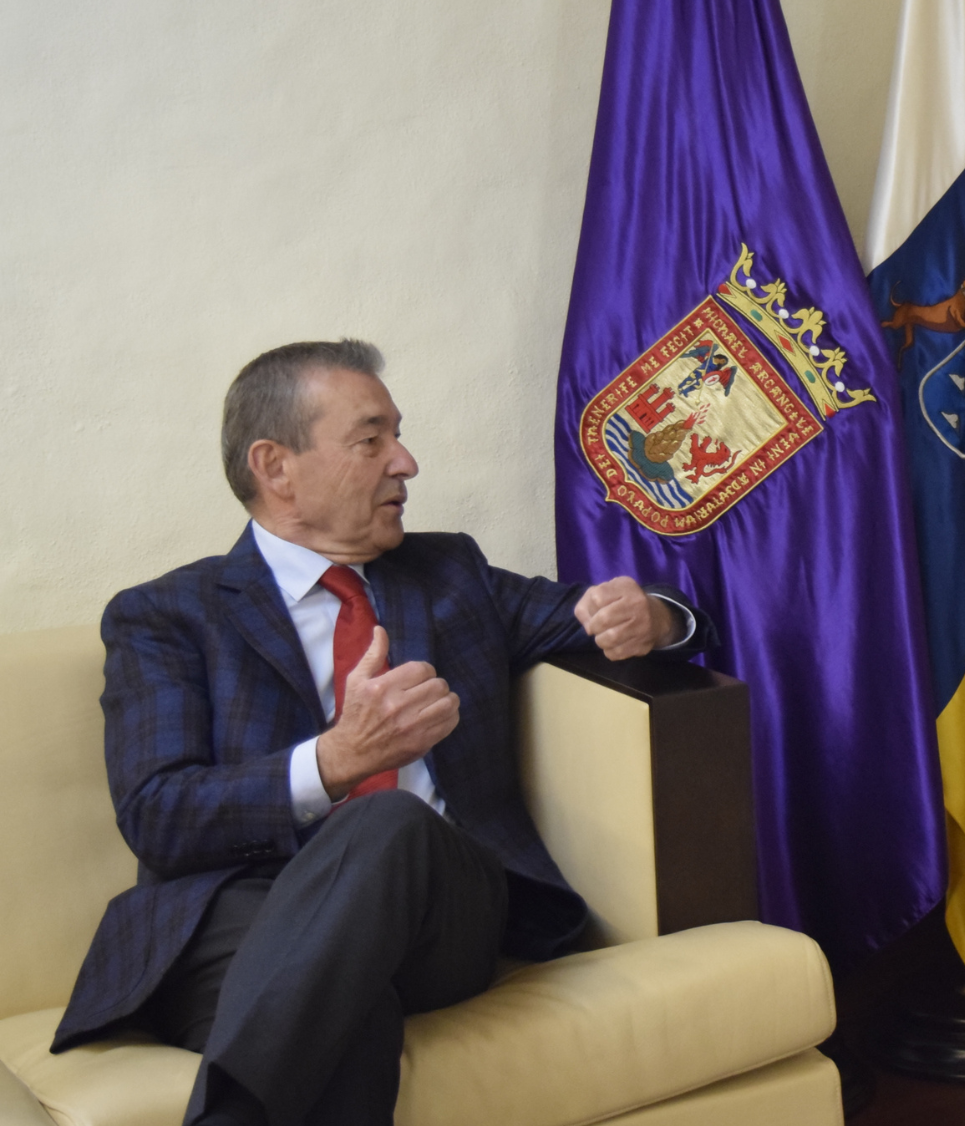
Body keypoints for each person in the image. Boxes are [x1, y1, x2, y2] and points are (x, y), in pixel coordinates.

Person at [50, 340, 714, 1126]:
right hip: (233, 915)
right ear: (276, 467)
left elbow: (621, 615)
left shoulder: (450, 577)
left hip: (441, 908)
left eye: (397, 434)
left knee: (389, 821)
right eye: (372, 439)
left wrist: (654, 614)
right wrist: (332, 763)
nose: (406, 461)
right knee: (349, 1019)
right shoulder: (166, 616)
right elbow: (157, 813)